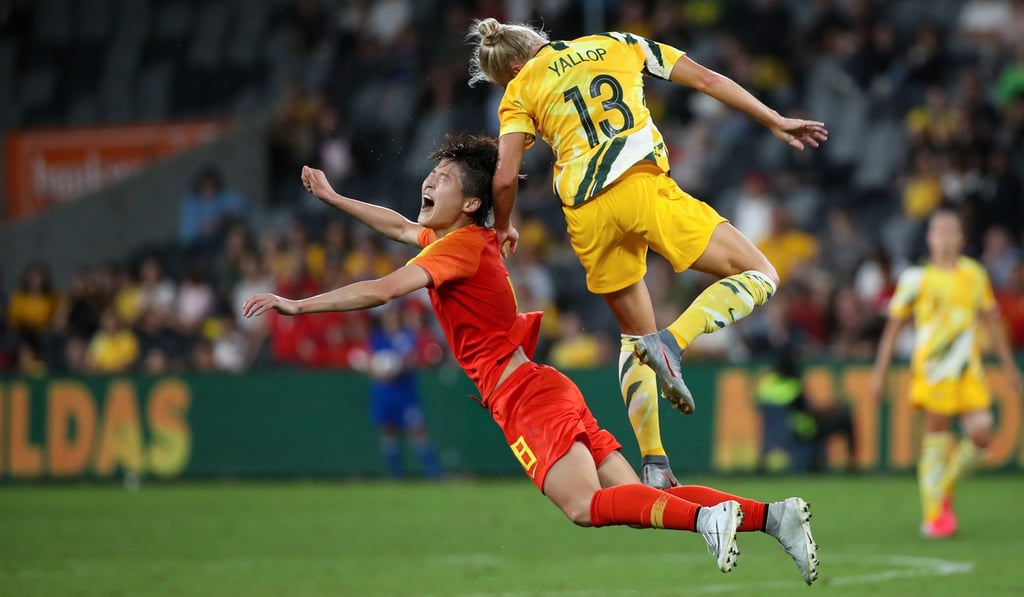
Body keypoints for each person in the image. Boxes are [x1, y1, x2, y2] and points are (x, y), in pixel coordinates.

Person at [243, 134, 818, 584]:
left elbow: (384, 289)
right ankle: (773, 517)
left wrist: (298, 306)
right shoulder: (459, 242)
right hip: (545, 387)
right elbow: (398, 225)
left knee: (584, 508)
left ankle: (706, 520)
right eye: (431, 173)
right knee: (650, 500)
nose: (428, 181)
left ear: (470, 202)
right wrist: (335, 198)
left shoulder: (460, 248)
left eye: (441, 178)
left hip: (524, 399)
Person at [467, 19, 829, 487]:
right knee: (760, 273)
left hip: (586, 214)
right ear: (534, 41)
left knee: (633, 336)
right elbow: (707, 79)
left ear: (513, 67)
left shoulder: (519, 90)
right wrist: (774, 119)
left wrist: (504, 225)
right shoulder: (616, 43)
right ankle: (675, 342)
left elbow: (503, 177)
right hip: (640, 184)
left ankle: (655, 462)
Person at [871, 207, 1022, 539]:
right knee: (936, 440)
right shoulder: (916, 278)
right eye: (937, 231)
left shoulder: (974, 274)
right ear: (929, 238)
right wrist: (879, 373)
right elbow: (894, 328)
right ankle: (933, 515)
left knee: (982, 439)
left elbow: (991, 323)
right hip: (933, 371)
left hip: (969, 371)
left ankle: (944, 486)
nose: (943, 237)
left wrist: (1009, 366)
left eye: (950, 231)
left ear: (961, 238)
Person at [367, 304, 442, 480]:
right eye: (388, 320)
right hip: (384, 394)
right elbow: (370, 363)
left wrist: (400, 365)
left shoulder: (408, 338)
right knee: (389, 432)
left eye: (394, 319)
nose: (391, 323)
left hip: (405, 393)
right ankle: (396, 475)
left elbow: (415, 359)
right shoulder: (377, 339)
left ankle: (434, 474)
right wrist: (377, 369)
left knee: (418, 431)